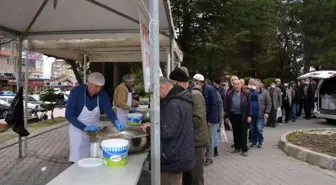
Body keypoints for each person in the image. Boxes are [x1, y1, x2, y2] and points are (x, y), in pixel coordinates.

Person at [142, 77, 194, 185]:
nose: (156, 96)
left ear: (161, 88)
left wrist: (148, 129)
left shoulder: (173, 104)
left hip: (173, 158)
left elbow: (167, 132)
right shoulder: (181, 99)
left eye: (155, 92)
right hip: (180, 154)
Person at [65, 72, 124, 163]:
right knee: (77, 155)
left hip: (94, 129)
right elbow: (69, 115)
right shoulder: (76, 92)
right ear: (88, 83)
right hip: (77, 128)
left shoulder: (102, 94)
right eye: (96, 86)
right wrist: (84, 127)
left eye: (100, 87)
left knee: (94, 154)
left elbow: (109, 110)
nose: (98, 89)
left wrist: (116, 121)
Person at [169, 67, 208, 185]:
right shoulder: (185, 93)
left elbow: (198, 119)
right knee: (187, 175)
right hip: (188, 140)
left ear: (179, 82)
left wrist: (178, 124)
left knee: (196, 175)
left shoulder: (195, 95)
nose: (171, 86)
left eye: (172, 83)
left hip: (196, 142)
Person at [193, 74, 219, 166]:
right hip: (202, 118)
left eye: (194, 81)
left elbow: (214, 106)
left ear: (198, 81)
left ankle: (209, 157)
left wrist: (211, 120)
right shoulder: (198, 90)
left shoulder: (210, 89)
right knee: (204, 138)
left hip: (208, 119)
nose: (193, 83)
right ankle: (204, 156)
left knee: (209, 139)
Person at [224, 79, 251, 156]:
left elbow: (249, 106)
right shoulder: (229, 94)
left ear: (241, 85)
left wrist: (249, 115)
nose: (237, 86)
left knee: (244, 133)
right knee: (235, 132)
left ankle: (244, 149)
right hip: (233, 116)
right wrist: (227, 116)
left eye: (238, 84)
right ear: (233, 85)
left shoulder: (245, 94)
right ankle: (237, 148)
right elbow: (226, 106)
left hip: (243, 116)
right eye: (235, 84)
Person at [249, 79, 271, 148]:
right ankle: (254, 142)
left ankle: (261, 141)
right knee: (253, 129)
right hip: (251, 114)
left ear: (259, 85)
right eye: (253, 84)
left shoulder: (265, 92)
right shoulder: (250, 92)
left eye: (255, 84)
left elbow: (269, 103)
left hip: (260, 114)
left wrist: (267, 112)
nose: (253, 86)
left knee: (259, 128)